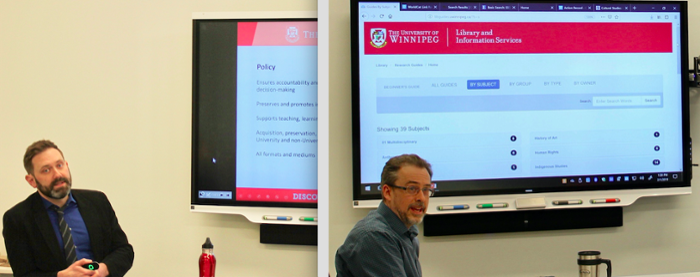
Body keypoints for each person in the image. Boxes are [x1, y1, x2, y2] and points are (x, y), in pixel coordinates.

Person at [3, 140, 134, 277]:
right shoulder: (17, 218)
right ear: (32, 180)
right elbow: (23, 274)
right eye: (46, 170)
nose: (58, 174)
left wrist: (103, 269)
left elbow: (124, 251)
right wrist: (61, 276)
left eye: (59, 165)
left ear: (66, 165)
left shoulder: (97, 202)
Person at [336, 154, 434, 277]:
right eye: (412, 188)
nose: (421, 198)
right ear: (387, 192)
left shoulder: (408, 232)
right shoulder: (373, 236)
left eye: (426, 189)